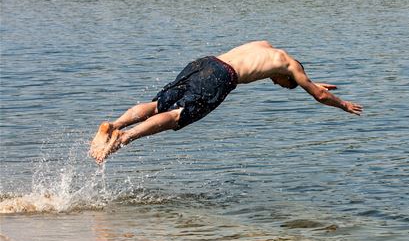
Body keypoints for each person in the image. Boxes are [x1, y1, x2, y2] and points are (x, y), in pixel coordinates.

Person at [89, 41, 363, 163]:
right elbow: (320, 95)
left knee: (158, 104)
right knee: (176, 116)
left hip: (204, 63)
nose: (276, 84)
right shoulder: (289, 66)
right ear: (288, 77)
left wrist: (310, 81)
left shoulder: (265, 45)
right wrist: (343, 105)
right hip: (222, 76)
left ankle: (114, 124)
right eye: (283, 84)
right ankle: (124, 138)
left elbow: (307, 83)